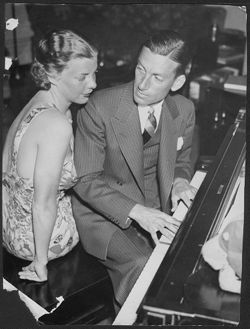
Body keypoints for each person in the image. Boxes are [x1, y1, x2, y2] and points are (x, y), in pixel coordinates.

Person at [72, 29, 197, 311]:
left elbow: (183, 159)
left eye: (157, 77)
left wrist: (179, 181)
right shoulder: (100, 107)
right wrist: (138, 212)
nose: (141, 84)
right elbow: (85, 180)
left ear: (177, 82)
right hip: (103, 214)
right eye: (141, 69)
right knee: (141, 264)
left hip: (156, 208)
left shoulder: (184, 110)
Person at [2, 29, 98, 282]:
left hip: (10, 231)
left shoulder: (35, 103)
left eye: (94, 73)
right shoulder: (56, 124)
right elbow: (43, 203)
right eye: (83, 76)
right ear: (53, 75)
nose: (93, 83)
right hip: (38, 244)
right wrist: (41, 263)